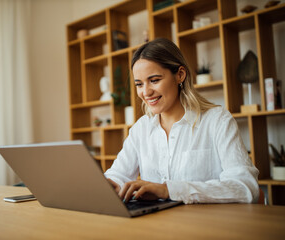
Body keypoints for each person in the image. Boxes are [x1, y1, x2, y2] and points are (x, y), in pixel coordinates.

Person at [104, 38, 259, 204]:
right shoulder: (141, 128)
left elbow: (246, 187)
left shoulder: (217, 121)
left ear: (180, 75)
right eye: (139, 84)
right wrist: (106, 184)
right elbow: (118, 176)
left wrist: (168, 190)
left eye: (154, 80)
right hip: (154, 225)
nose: (146, 92)